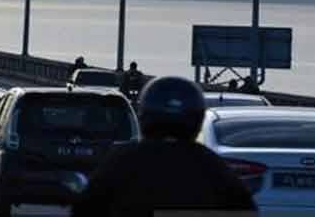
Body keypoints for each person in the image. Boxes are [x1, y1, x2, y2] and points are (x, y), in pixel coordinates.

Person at [73, 76, 257, 217]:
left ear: (144, 115)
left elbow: (86, 207)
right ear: (197, 120)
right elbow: (244, 208)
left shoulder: (122, 161)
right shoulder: (212, 165)